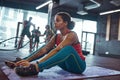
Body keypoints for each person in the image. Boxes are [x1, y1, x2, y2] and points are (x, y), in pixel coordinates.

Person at [5, 12, 86, 77]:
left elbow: (57, 49)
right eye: (54, 21)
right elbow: (44, 49)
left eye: (57, 20)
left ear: (65, 23)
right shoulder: (56, 36)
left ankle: (36, 68)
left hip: (78, 66)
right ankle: (21, 61)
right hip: (66, 66)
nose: (55, 23)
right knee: (46, 47)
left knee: (68, 49)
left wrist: (37, 63)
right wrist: (27, 60)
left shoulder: (72, 35)